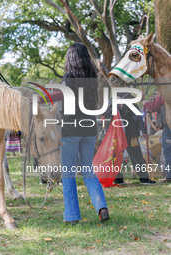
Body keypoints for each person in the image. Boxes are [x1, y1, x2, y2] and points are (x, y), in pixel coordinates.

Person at [59, 43, 109, 225]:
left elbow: (61, 101)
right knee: (88, 170)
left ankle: (72, 216)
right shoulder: (92, 77)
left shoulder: (69, 77)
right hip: (89, 129)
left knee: (68, 173)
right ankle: (102, 208)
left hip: (70, 130)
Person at [144, 91, 171, 183]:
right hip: (166, 126)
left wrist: (144, 102)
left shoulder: (164, 93)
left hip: (168, 126)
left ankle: (169, 176)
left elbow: (152, 107)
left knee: (168, 152)